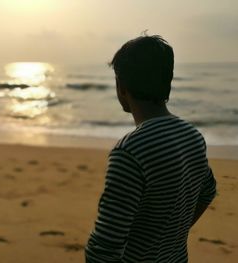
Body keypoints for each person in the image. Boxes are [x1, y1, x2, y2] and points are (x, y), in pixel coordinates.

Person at [85, 35, 217, 262]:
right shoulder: (191, 135)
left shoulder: (130, 152)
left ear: (121, 87)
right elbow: (207, 191)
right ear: (168, 82)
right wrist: (173, 234)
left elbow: (105, 247)